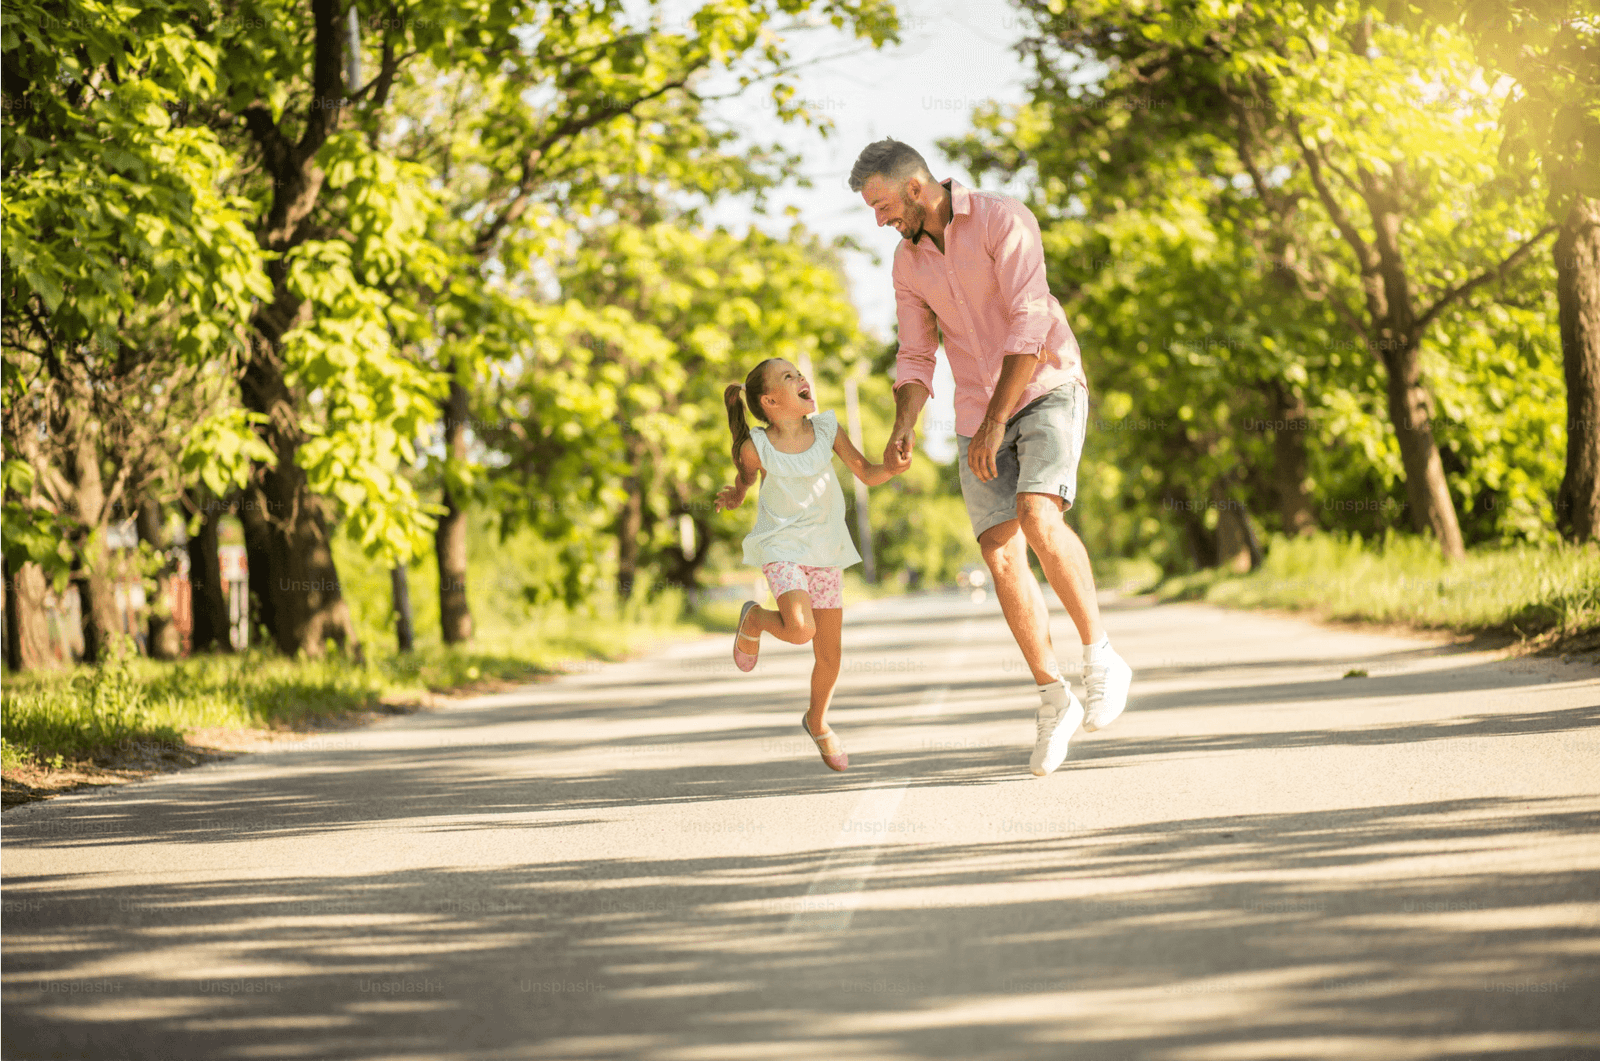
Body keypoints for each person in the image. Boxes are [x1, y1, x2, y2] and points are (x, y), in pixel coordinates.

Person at [851, 137, 1134, 778]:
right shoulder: (907, 262)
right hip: (977, 410)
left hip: (1044, 386)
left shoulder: (1005, 220)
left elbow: (1029, 325)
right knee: (999, 553)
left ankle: (1100, 657)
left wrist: (996, 422)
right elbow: (916, 356)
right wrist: (903, 424)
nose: (880, 219)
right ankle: (1051, 695)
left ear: (917, 188)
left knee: (1038, 512)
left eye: (882, 204)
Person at [714, 357, 901, 772]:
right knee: (800, 629)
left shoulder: (828, 429)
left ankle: (817, 720)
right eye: (788, 377)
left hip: (825, 549)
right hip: (781, 544)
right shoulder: (755, 447)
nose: (801, 379)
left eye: (799, 373)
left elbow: (867, 473)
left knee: (830, 657)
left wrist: (891, 466)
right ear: (771, 401)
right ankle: (756, 619)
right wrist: (735, 495)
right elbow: (745, 481)